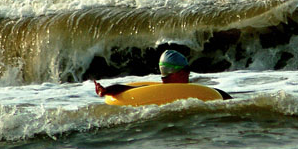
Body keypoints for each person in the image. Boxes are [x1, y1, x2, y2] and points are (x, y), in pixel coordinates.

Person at [94, 50, 232, 99]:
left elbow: (218, 93)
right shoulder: (155, 91)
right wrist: (105, 91)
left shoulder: (190, 90)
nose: (188, 75)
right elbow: (125, 89)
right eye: (186, 71)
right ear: (177, 73)